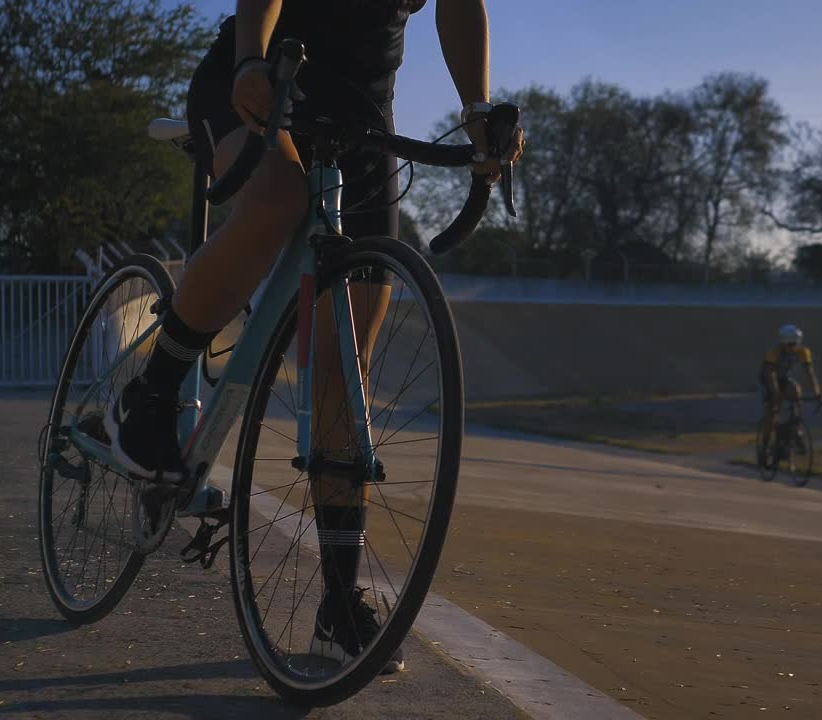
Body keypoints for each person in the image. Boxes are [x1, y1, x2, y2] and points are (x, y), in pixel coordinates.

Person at [105, 0, 523, 675]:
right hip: (259, 73)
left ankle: (337, 601)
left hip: (360, 113)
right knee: (277, 202)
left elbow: (458, 6)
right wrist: (248, 57)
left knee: (345, 356)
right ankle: (149, 395)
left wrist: (477, 109)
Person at [758, 324, 822, 463]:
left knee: (796, 390)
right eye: (789, 345)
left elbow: (810, 374)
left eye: (795, 345)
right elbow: (770, 375)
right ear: (782, 343)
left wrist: (818, 394)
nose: (793, 348)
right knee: (772, 412)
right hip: (767, 380)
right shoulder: (774, 352)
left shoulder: (803, 351)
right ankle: (764, 446)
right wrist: (775, 395)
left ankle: (796, 430)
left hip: (783, 378)